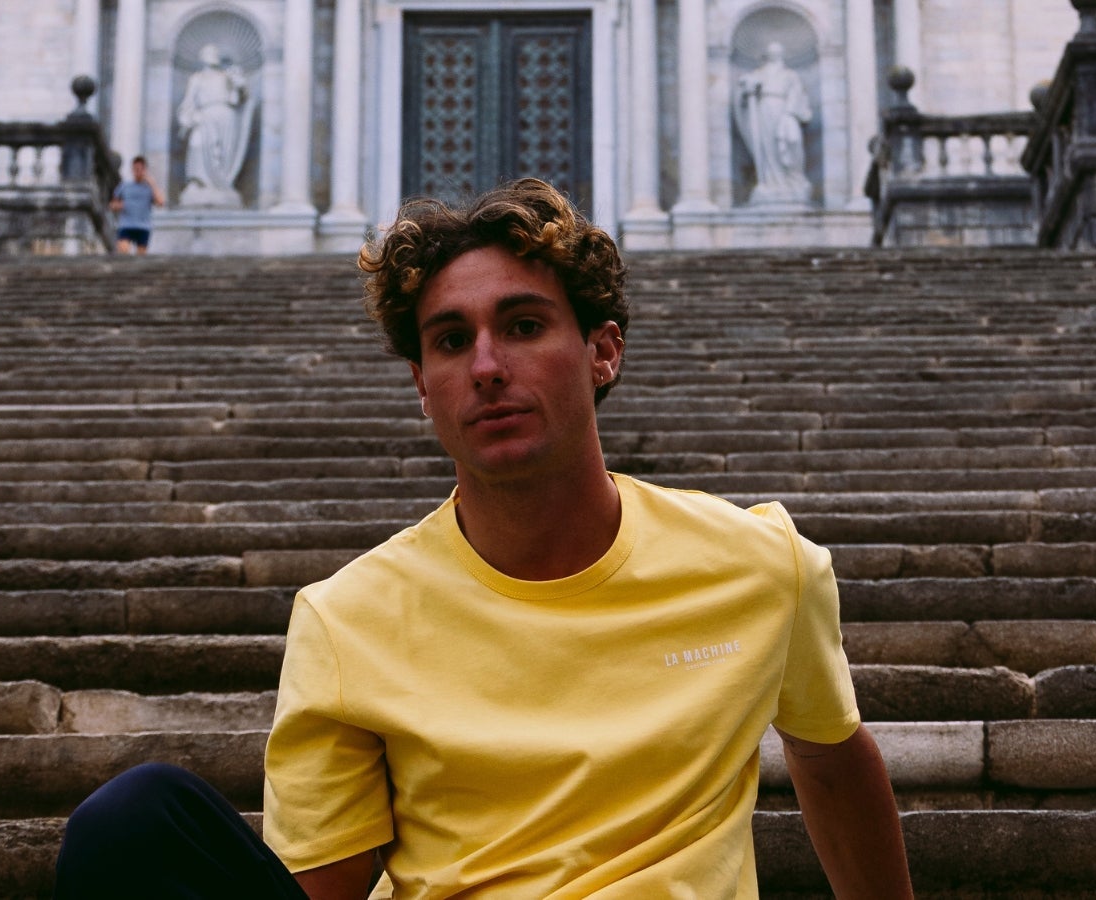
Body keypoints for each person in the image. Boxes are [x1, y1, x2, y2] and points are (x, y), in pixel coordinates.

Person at [55, 178, 914, 899]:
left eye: (525, 325)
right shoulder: (349, 620)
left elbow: (832, 759)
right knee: (136, 818)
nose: (488, 366)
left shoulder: (761, 564)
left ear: (602, 350)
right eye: (451, 340)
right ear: (422, 387)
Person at [735, 42, 814, 206]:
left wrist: (789, 112)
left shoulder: (790, 75)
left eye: (777, 53)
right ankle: (770, 183)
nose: (775, 55)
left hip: (785, 111)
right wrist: (747, 89)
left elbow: (798, 95)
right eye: (771, 53)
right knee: (767, 147)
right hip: (764, 110)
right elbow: (742, 96)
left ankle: (793, 181)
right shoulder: (758, 73)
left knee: (792, 141)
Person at [177, 45, 254, 207]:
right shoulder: (196, 78)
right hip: (204, 115)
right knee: (196, 144)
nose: (211, 55)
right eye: (208, 53)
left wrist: (239, 84)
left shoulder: (227, 76)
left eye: (214, 53)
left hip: (226, 115)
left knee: (223, 151)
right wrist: (188, 118)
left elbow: (241, 97)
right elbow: (188, 102)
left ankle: (223, 183)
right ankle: (198, 182)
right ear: (202, 57)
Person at [109, 156, 162, 255]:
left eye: (140, 169)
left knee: (141, 258)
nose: (138, 172)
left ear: (145, 170)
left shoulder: (149, 188)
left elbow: (160, 203)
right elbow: (112, 204)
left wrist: (152, 184)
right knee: (123, 252)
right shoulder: (124, 186)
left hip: (143, 226)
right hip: (126, 224)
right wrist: (118, 205)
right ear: (132, 169)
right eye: (135, 169)